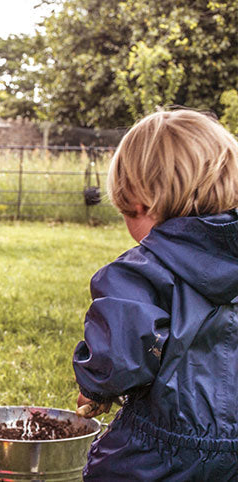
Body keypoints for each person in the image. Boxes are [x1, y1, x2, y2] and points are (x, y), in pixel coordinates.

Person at [73, 109, 238, 479]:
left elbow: (119, 355)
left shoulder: (139, 273)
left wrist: (93, 387)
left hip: (161, 452)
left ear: (141, 204)